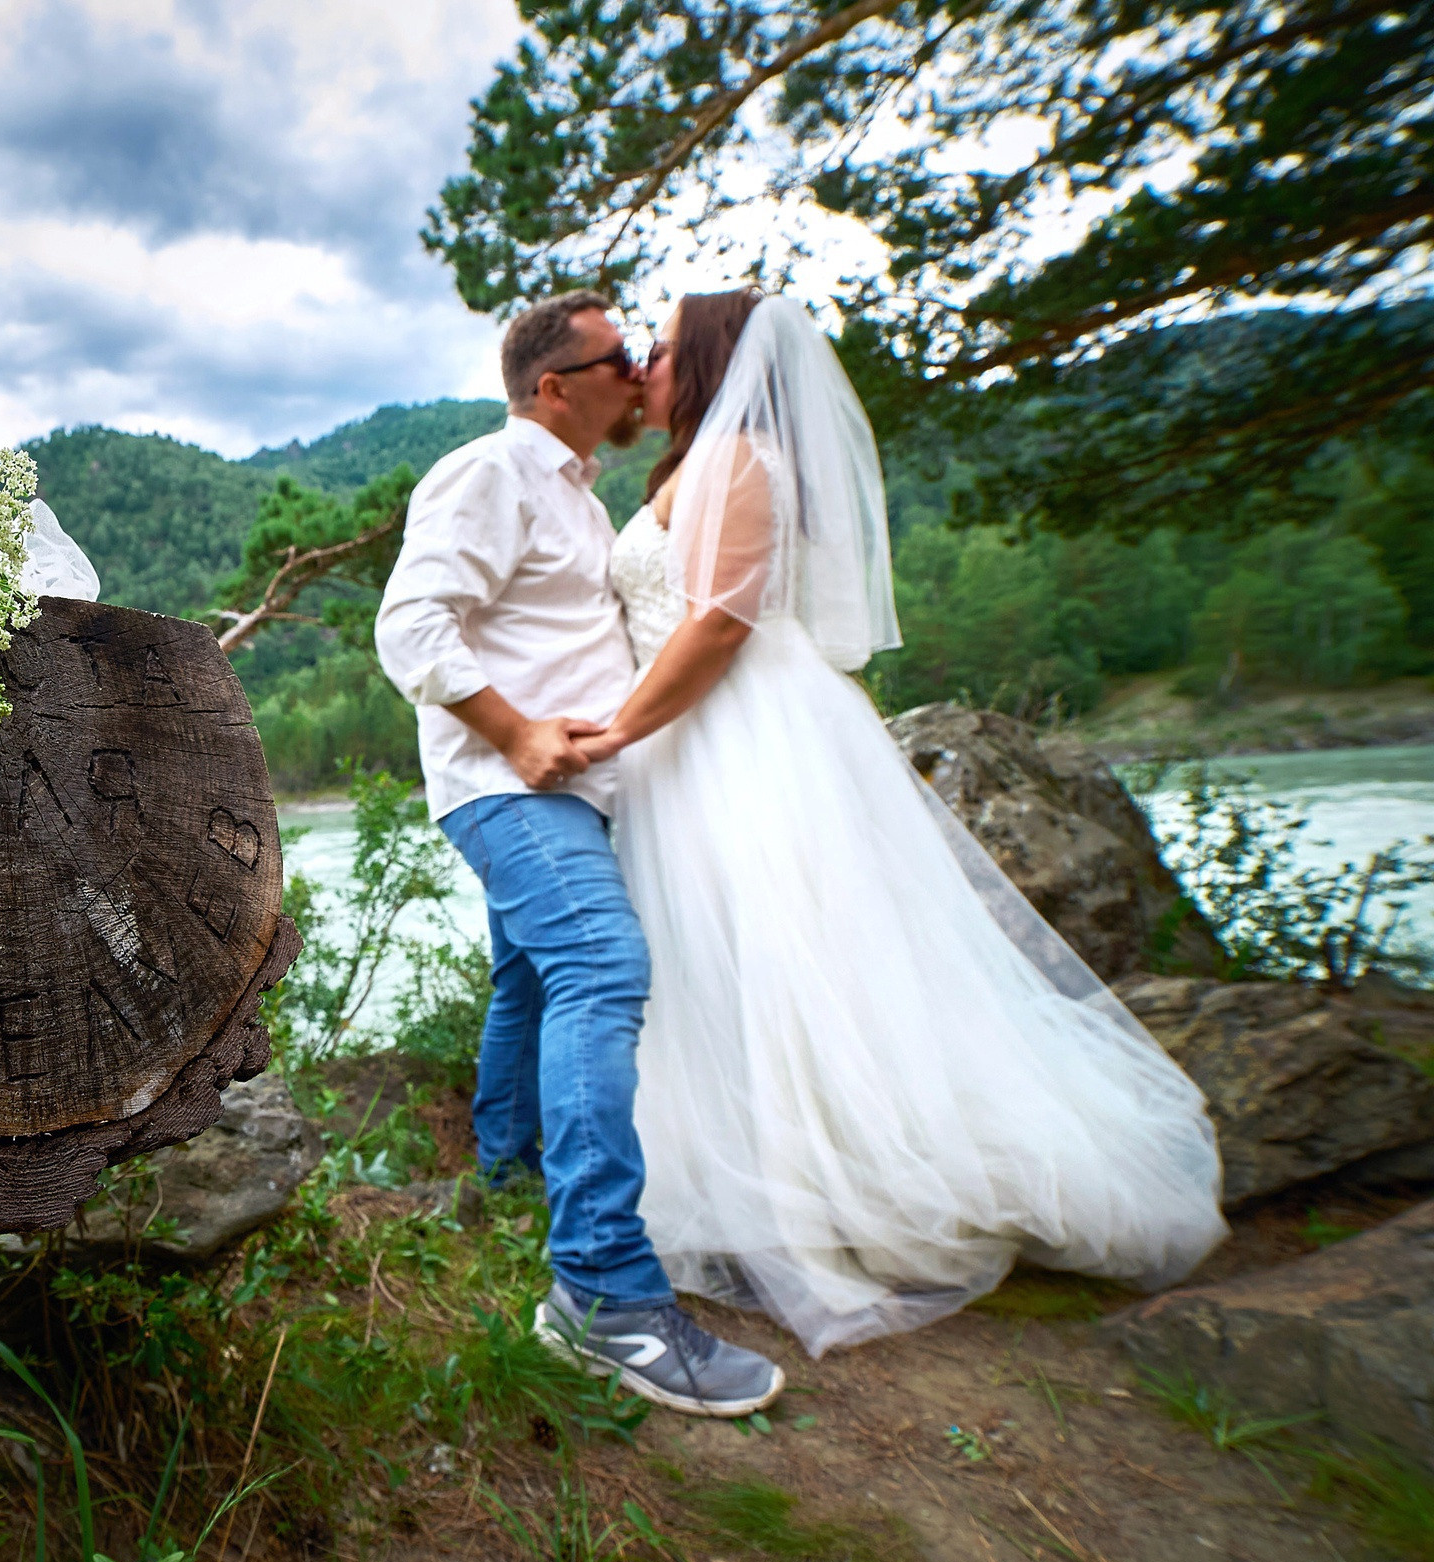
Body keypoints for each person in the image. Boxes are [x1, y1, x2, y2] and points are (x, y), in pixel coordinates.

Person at [574, 290, 1226, 1356]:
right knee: (730, 960)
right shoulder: (692, 462)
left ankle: (832, 1192)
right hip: (690, 737)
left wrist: (613, 731)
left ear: (709, 362)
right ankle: (765, 1171)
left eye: (658, 347)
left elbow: (720, 623)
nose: (643, 363)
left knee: (791, 957)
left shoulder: (735, 457)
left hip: (740, 730)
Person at [374, 292, 787, 1417]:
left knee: (530, 973)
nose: (640, 369)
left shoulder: (583, 500)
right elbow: (409, 627)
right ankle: (603, 1291)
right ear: (556, 387)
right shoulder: (488, 474)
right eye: (620, 357)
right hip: (512, 789)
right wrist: (515, 733)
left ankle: (507, 1177)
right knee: (604, 968)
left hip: (578, 787)